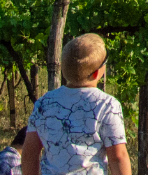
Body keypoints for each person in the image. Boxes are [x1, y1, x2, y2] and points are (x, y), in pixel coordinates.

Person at [23, 34, 130, 175]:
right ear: (96, 73)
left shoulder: (44, 103)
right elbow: (117, 156)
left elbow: (30, 153)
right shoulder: (107, 105)